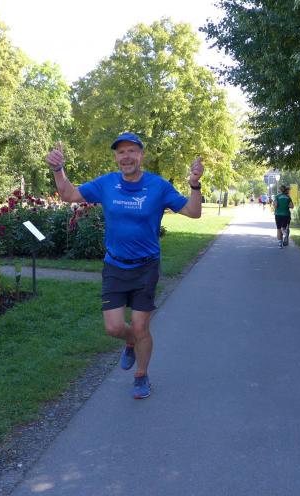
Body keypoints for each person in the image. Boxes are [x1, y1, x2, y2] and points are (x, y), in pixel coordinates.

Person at [45, 133, 203, 399]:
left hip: (146, 268)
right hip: (115, 266)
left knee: (141, 327)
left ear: (141, 155)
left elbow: (193, 212)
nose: (126, 156)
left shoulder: (158, 186)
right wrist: (58, 169)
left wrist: (194, 184)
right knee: (114, 328)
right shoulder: (106, 183)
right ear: (116, 158)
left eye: (131, 151)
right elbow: (68, 195)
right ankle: (130, 341)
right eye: (121, 152)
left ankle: (141, 375)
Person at [273, 184, 294, 248]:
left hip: (278, 214)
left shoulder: (277, 196)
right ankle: (285, 234)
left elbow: (275, 206)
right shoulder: (288, 197)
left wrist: (275, 205)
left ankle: (280, 244)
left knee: (279, 229)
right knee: (283, 228)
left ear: (280, 190)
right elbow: (292, 206)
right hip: (286, 214)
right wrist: (286, 205)